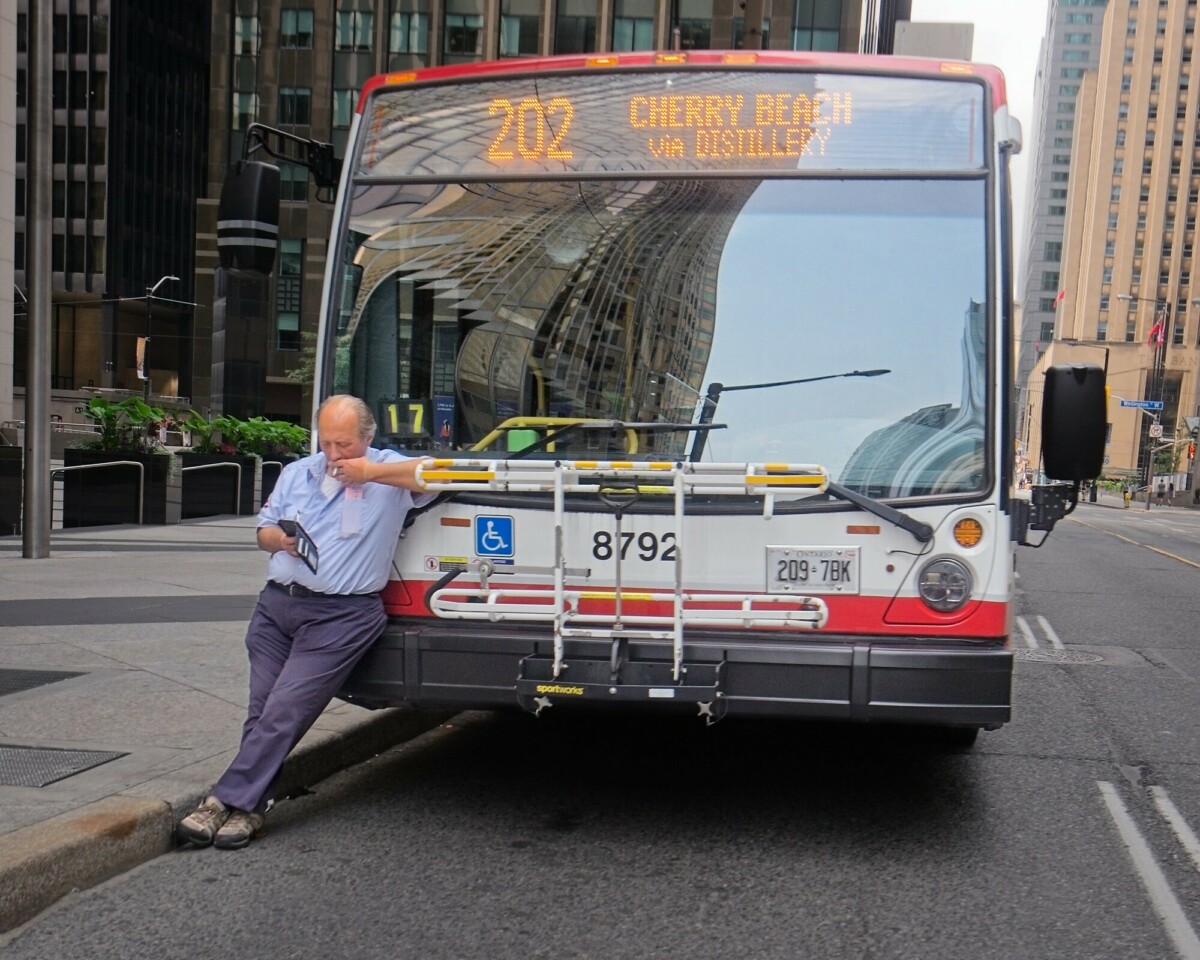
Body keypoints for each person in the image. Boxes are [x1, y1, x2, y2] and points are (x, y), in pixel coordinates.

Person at [176, 395, 432, 850]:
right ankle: (250, 811)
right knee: (263, 712)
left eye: (345, 444)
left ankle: (219, 802)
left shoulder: (386, 470)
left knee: (284, 710)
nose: (334, 455)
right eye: (327, 442)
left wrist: (367, 472)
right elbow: (263, 531)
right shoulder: (298, 472)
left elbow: (437, 474)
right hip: (277, 607)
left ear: (367, 439)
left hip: (342, 615)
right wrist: (279, 540)